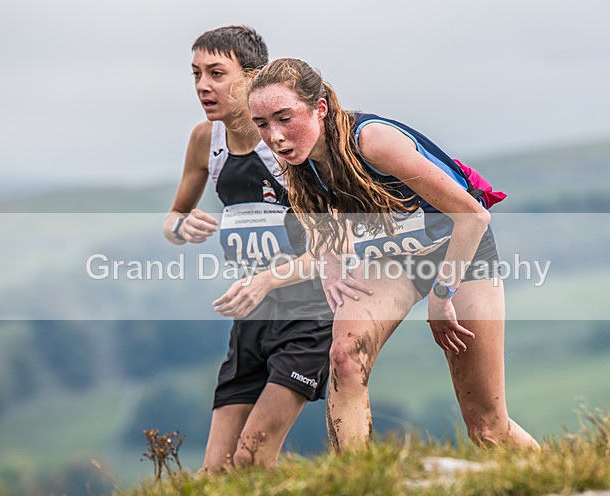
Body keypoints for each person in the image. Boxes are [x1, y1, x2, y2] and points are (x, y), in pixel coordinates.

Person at [247, 58, 540, 452]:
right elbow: (323, 209)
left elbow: (473, 217)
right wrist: (330, 261)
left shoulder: (372, 142)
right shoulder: (301, 158)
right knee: (345, 358)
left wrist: (442, 294)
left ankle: (563, 479)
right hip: (391, 260)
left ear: (320, 108)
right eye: (262, 124)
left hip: (460, 252)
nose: (275, 136)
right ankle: (358, 479)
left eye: (284, 118)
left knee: (487, 428)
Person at [163, 28, 340, 473]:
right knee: (215, 471)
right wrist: (182, 226)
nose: (203, 86)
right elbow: (173, 219)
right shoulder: (205, 140)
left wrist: (268, 279)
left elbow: (335, 245)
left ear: (253, 77)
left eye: (217, 73)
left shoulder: (285, 144)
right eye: (196, 74)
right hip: (251, 318)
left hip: (310, 316)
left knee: (252, 458)